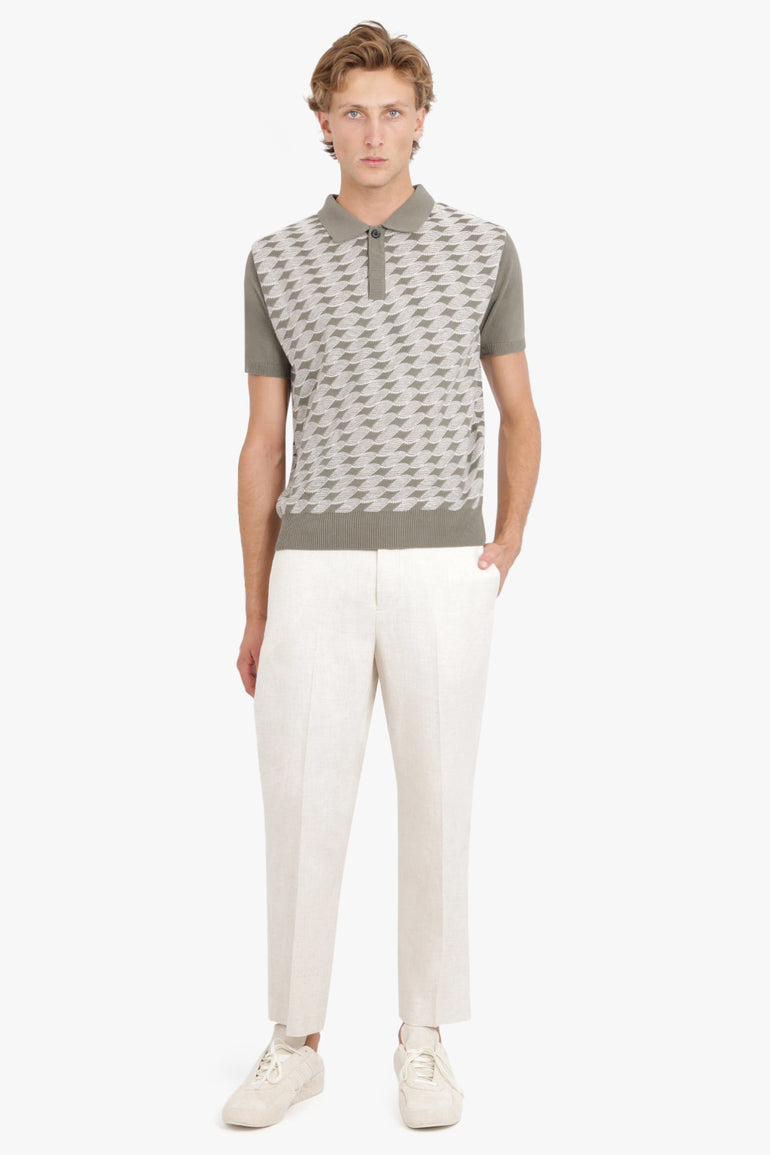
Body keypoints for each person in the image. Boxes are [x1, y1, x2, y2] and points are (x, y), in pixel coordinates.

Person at [222, 20, 541, 1130]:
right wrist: (256, 605)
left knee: (438, 797)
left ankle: (424, 1038)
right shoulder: (274, 259)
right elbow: (263, 442)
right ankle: (294, 1040)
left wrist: (504, 542)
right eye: (351, 111)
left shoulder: (484, 248)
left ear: (420, 120)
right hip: (309, 563)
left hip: (441, 560)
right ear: (322, 122)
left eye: (391, 111)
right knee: (300, 801)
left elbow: (519, 410)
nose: (372, 131)